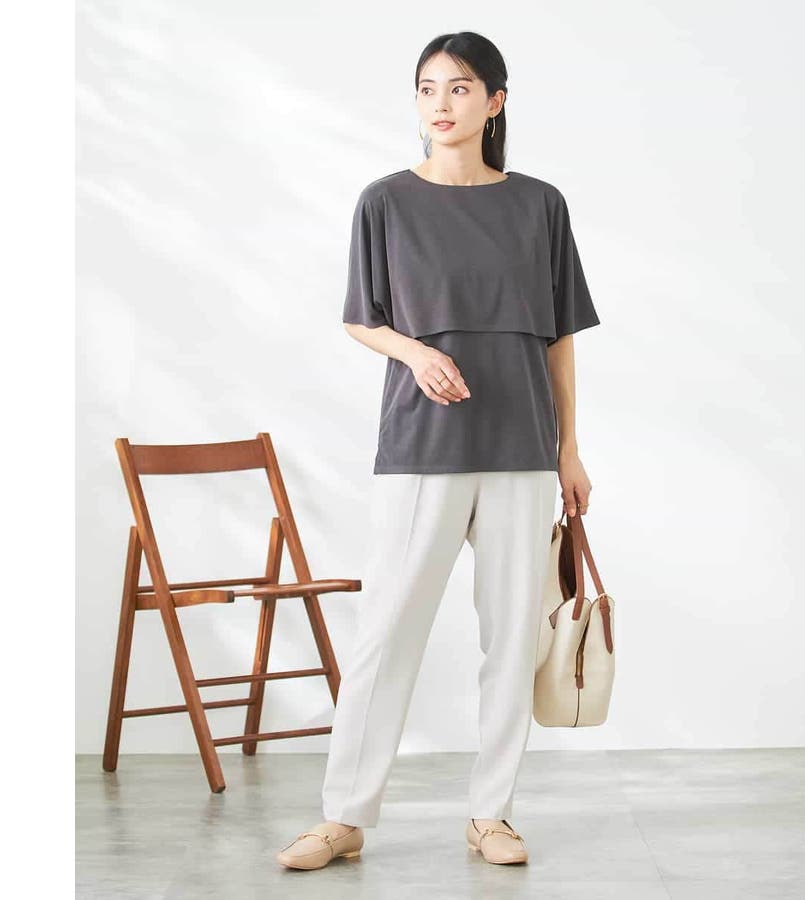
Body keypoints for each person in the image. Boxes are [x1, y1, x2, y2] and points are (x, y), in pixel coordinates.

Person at [277, 30, 600, 871]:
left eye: (459, 88)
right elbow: (362, 316)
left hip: (522, 447)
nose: (441, 104)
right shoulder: (386, 201)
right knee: (387, 632)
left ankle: (491, 813)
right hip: (421, 445)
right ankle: (344, 817)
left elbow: (561, 337)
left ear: (495, 102)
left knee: (512, 640)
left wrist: (569, 450)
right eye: (427, 89)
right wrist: (414, 354)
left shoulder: (540, 205)